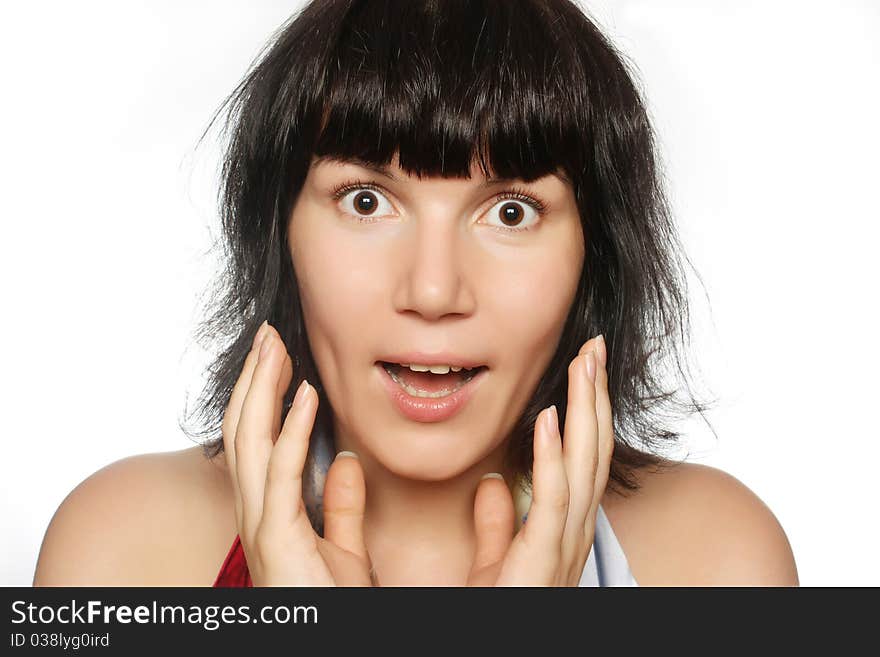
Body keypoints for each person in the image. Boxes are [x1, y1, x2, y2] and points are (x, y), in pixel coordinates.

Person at [33, 0, 798, 586]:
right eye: (366, 201)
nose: (434, 290)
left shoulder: (717, 558)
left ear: (594, 253)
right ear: (279, 233)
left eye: (510, 211)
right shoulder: (123, 550)